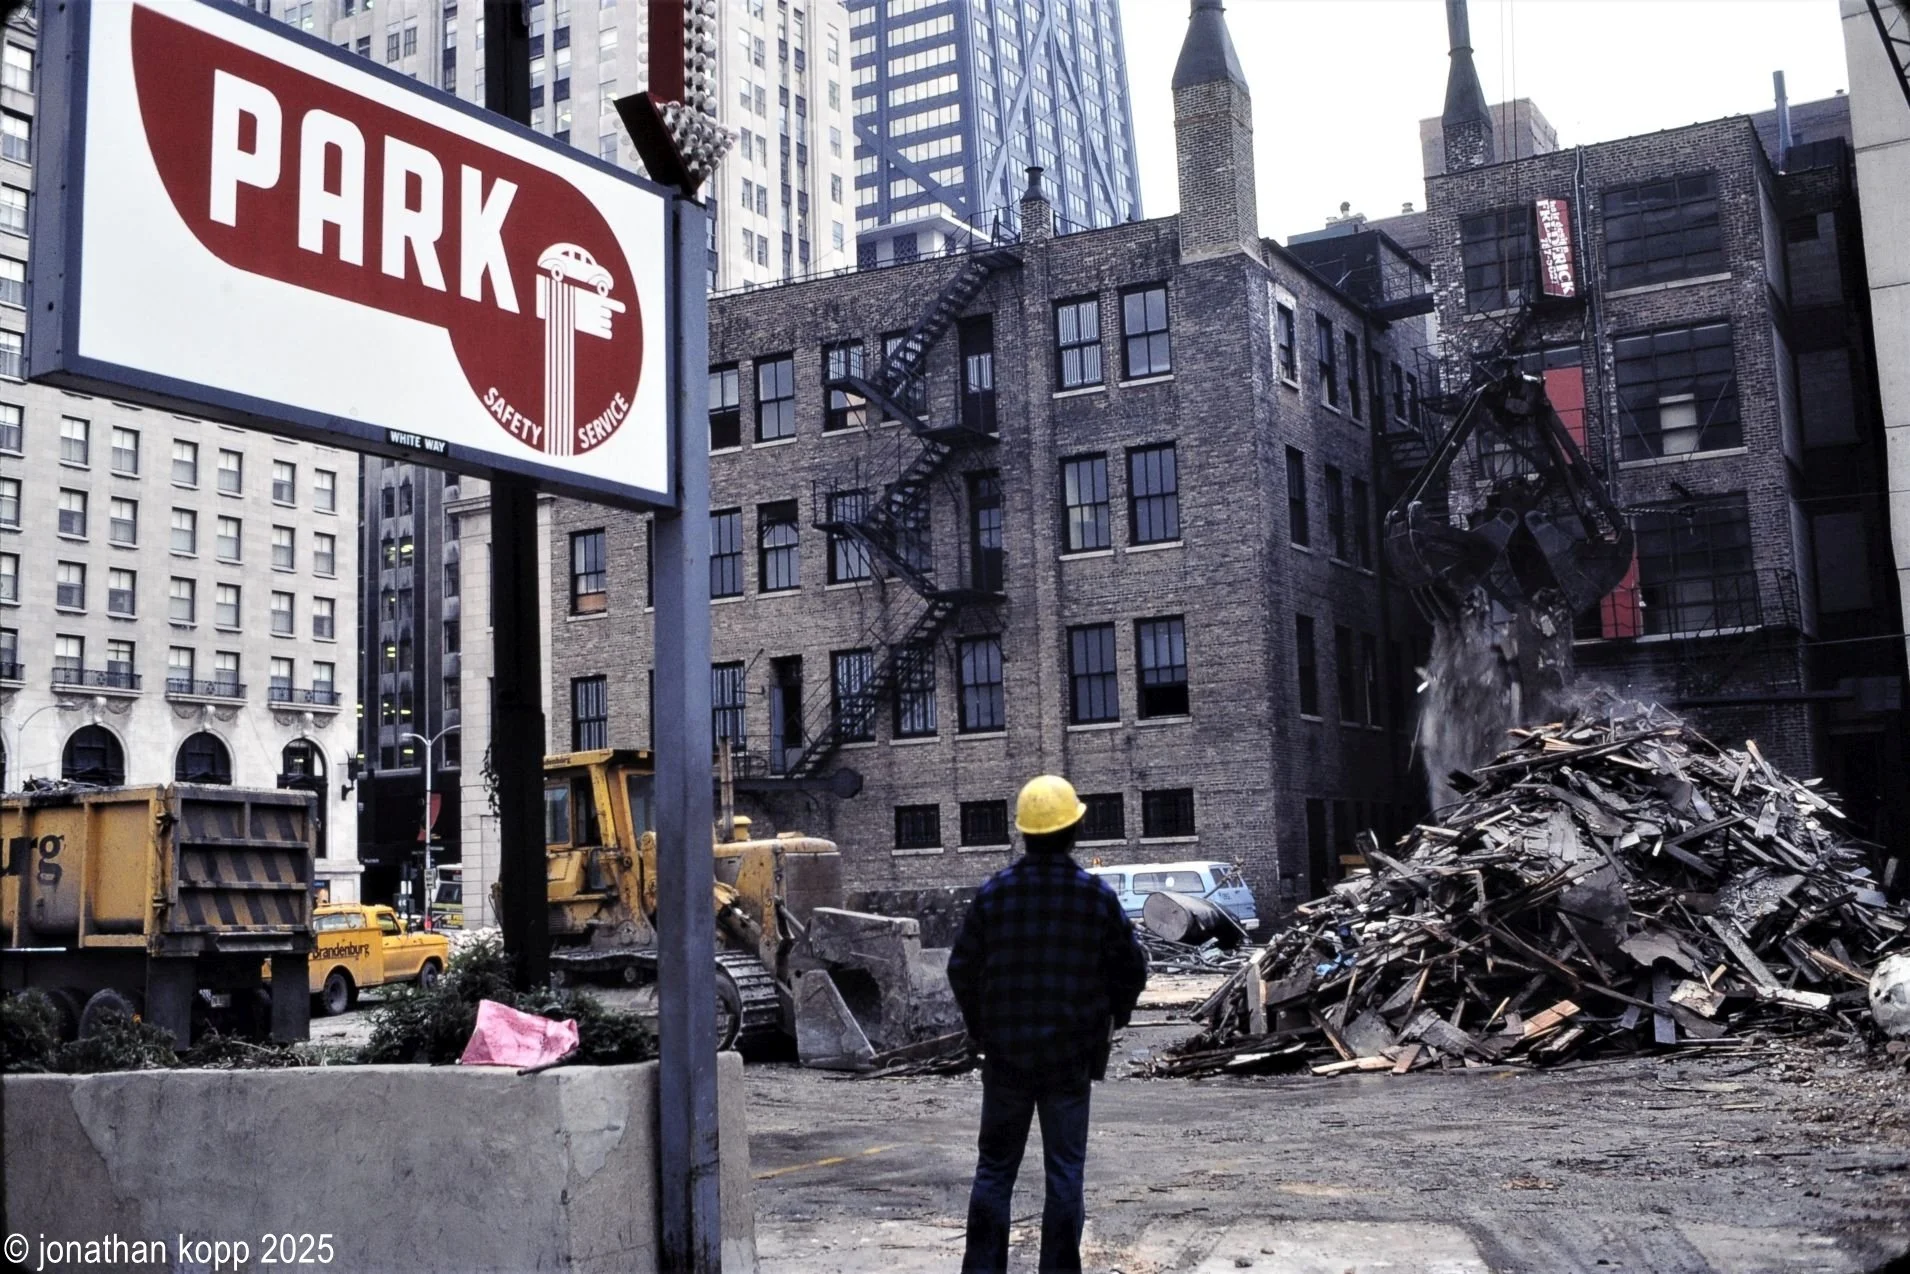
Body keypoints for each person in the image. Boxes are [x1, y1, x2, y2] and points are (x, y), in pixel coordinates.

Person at [947, 774, 1149, 1274]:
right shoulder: (1095, 897)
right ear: (1073, 831)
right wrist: (1111, 1019)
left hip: (1007, 1058)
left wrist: (980, 1030)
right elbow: (1133, 970)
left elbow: (960, 968)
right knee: (1064, 1173)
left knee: (994, 1169)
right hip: (1069, 1060)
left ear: (1024, 833)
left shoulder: (995, 895)